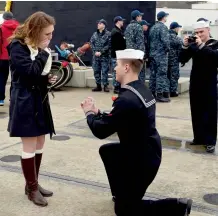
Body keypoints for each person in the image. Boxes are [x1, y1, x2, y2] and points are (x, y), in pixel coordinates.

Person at [81, 49, 193, 216]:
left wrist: (89, 113)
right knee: (108, 151)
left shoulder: (126, 99)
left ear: (126, 67)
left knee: (124, 210)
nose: (114, 68)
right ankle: (121, 194)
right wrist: (98, 112)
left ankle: (178, 206)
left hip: (141, 162)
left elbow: (101, 131)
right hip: (147, 150)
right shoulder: (140, 89)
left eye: (117, 65)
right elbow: (120, 118)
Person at [7, 11, 57, 206]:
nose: (50, 38)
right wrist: (44, 54)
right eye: (47, 34)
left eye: (51, 33)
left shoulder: (37, 46)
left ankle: (33, 183)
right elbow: (29, 73)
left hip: (38, 98)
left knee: (40, 141)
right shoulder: (17, 47)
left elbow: (37, 75)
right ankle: (32, 189)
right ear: (35, 31)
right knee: (29, 144)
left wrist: (46, 79)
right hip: (25, 99)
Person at [180, 20, 217, 153]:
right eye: (196, 32)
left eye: (201, 31)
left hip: (210, 83)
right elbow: (182, 59)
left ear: (208, 30)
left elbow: (214, 57)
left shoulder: (214, 44)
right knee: (196, 111)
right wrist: (185, 46)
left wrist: (201, 46)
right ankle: (199, 137)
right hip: (196, 82)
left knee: (210, 113)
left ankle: (210, 141)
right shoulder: (195, 44)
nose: (199, 34)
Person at [149, 11, 170, 102]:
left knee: (153, 75)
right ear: (163, 17)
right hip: (161, 55)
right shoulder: (163, 27)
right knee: (161, 75)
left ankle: (151, 94)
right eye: (166, 16)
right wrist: (167, 49)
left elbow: (150, 40)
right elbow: (165, 41)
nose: (166, 18)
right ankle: (160, 95)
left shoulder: (153, 28)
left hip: (153, 54)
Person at [0, 12, 19, 106]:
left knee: (1, 78)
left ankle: (1, 99)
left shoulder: (1, 28)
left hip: (2, 57)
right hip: (16, 56)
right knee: (15, 78)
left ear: (4, 18)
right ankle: (13, 98)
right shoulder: (19, 28)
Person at [90, 19, 111, 92]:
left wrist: (101, 52)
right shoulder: (94, 34)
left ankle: (105, 86)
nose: (98, 24)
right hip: (96, 57)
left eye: (100, 23)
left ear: (104, 25)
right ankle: (98, 86)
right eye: (98, 23)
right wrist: (95, 51)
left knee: (104, 71)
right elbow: (91, 43)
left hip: (104, 56)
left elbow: (109, 45)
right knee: (96, 71)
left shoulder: (108, 34)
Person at [111, 16, 126, 94]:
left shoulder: (120, 31)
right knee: (116, 71)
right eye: (121, 21)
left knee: (119, 71)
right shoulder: (115, 32)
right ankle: (116, 87)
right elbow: (117, 45)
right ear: (118, 21)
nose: (123, 22)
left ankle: (119, 86)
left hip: (120, 55)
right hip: (117, 55)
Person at [168, 22, 183, 97]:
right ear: (175, 28)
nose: (179, 29)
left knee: (167, 75)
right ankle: (173, 91)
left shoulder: (165, 35)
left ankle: (166, 91)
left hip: (165, 60)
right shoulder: (176, 37)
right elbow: (181, 47)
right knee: (174, 76)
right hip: (174, 60)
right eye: (178, 28)